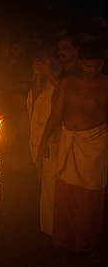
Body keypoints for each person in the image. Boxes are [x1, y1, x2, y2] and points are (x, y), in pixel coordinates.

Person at [36, 40, 108, 255]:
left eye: (98, 66)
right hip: (69, 141)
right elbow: (56, 113)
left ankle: (85, 243)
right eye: (89, 66)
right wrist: (44, 141)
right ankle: (63, 238)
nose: (93, 70)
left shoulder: (106, 84)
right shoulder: (67, 83)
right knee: (66, 191)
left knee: (89, 194)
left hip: (94, 146)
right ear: (80, 62)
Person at [28, 32, 81, 236]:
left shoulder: (80, 73)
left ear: (77, 49)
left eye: (67, 47)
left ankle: (67, 229)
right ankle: (51, 230)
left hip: (69, 138)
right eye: (60, 49)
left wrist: (49, 75)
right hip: (49, 133)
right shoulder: (57, 72)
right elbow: (36, 98)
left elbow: (71, 97)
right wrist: (39, 76)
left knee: (66, 186)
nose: (62, 52)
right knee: (49, 185)